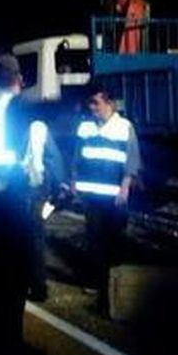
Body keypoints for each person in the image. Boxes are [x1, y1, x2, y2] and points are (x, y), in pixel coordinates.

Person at [0, 53, 65, 355]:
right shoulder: (19, 111)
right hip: (14, 206)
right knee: (15, 278)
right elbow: (51, 109)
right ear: (17, 80)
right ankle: (10, 343)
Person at [72, 84, 141, 317]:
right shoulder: (85, 127)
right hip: (91, 194)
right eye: (90, 103)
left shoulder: (124, 127)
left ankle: (116, 284)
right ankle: (96, 282)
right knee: (94, 238)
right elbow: (77, 156)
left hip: (114, 196)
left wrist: (125, 186)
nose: (93, 108)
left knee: (115, 239)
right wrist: (73, 181)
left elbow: (132, 160)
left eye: (97, 103)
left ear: (109, 104)